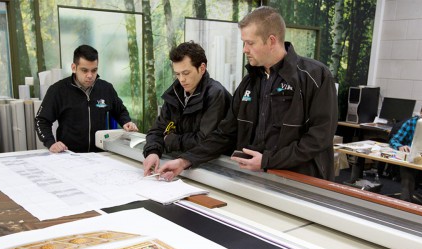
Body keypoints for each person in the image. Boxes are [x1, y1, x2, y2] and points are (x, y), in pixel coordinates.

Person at [158, 6, 338, 181]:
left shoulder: (316, 76)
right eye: (244, 43)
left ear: (271, 41)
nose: (245, 49)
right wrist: (185, 161)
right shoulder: (249, 82)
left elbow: (318, 139)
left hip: (303, 184)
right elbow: (225, 134)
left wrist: (268, 160)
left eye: (250, 43)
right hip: (254, 180)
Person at [142, 41, 231, 175]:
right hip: (181, 166)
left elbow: (206, 140)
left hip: (213, 169)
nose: (181, 79)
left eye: (186, 73)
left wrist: (171, 141)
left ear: (202, 68)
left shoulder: (215, 94)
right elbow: (157, 130)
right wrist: (152, 152)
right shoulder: (175, 93)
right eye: (177, 74)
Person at [35, 44, 138, 153]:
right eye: (84, 70)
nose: (90, 75)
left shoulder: (106, 88)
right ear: (74, 68)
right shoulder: (58, 90)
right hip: (69, 156)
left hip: (100, 156)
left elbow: (120, 111)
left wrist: (126, 122)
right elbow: (41, 120)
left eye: (94, 70)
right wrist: (50, 143)